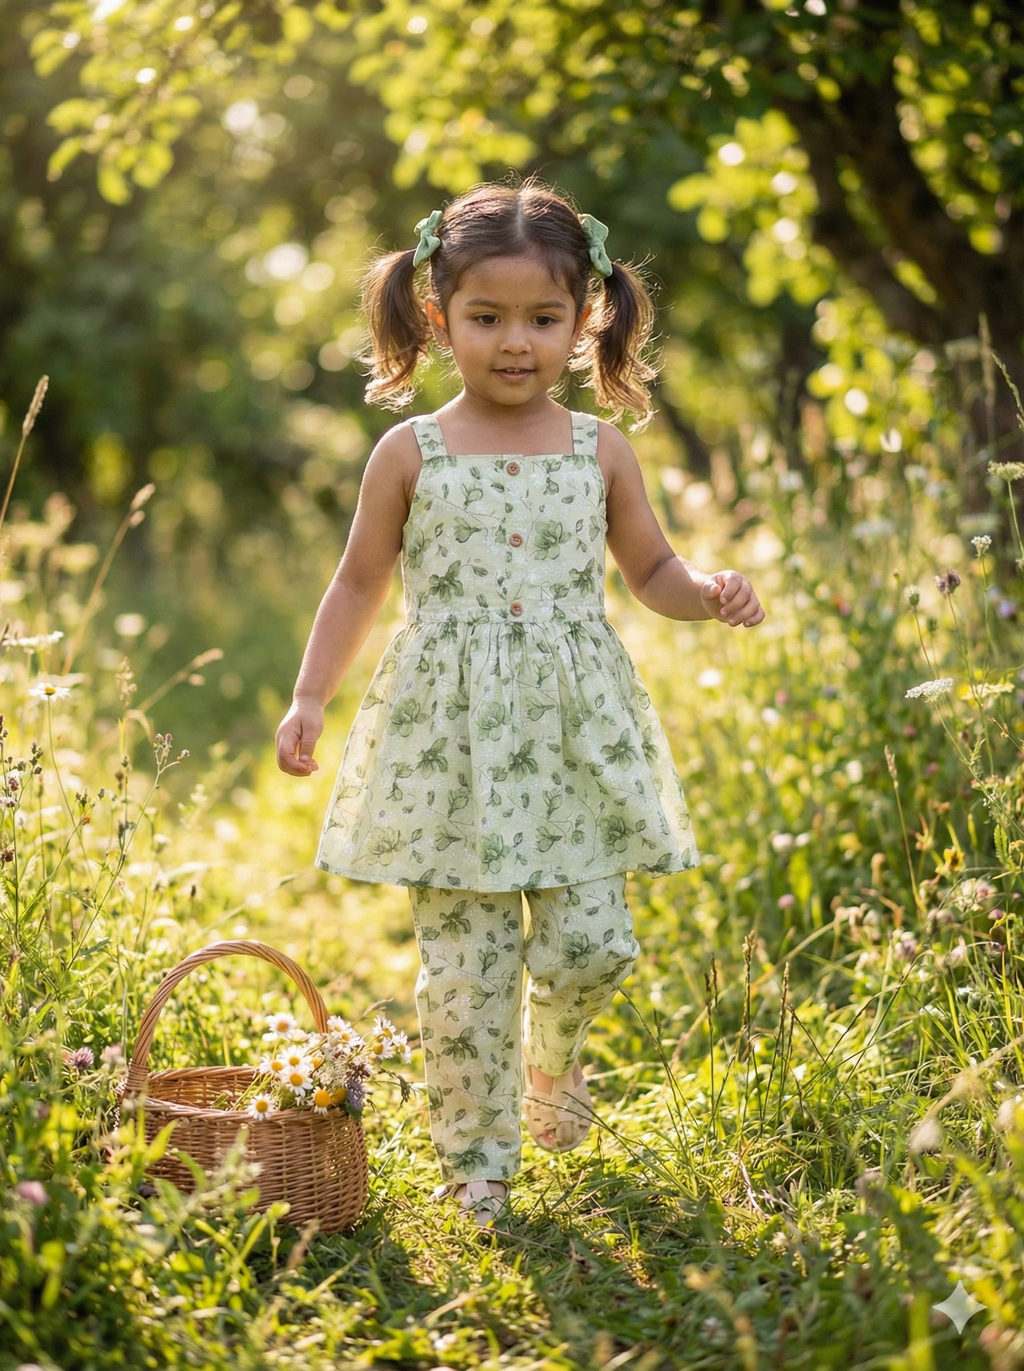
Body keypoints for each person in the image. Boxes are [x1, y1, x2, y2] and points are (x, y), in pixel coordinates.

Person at [276, 181, 764, 1230]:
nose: (515, 343)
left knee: (596, 943)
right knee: (465, 965)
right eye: (487, 317)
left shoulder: (600, 451)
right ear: (437, 316)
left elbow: (651, 571)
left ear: (586, 319)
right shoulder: (411, 452)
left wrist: (709, 596)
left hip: (570, 741)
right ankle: (477, 1157)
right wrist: (311, 697)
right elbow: (359, 581)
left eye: (543, 318)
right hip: (451, 748)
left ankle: (551, 1063)